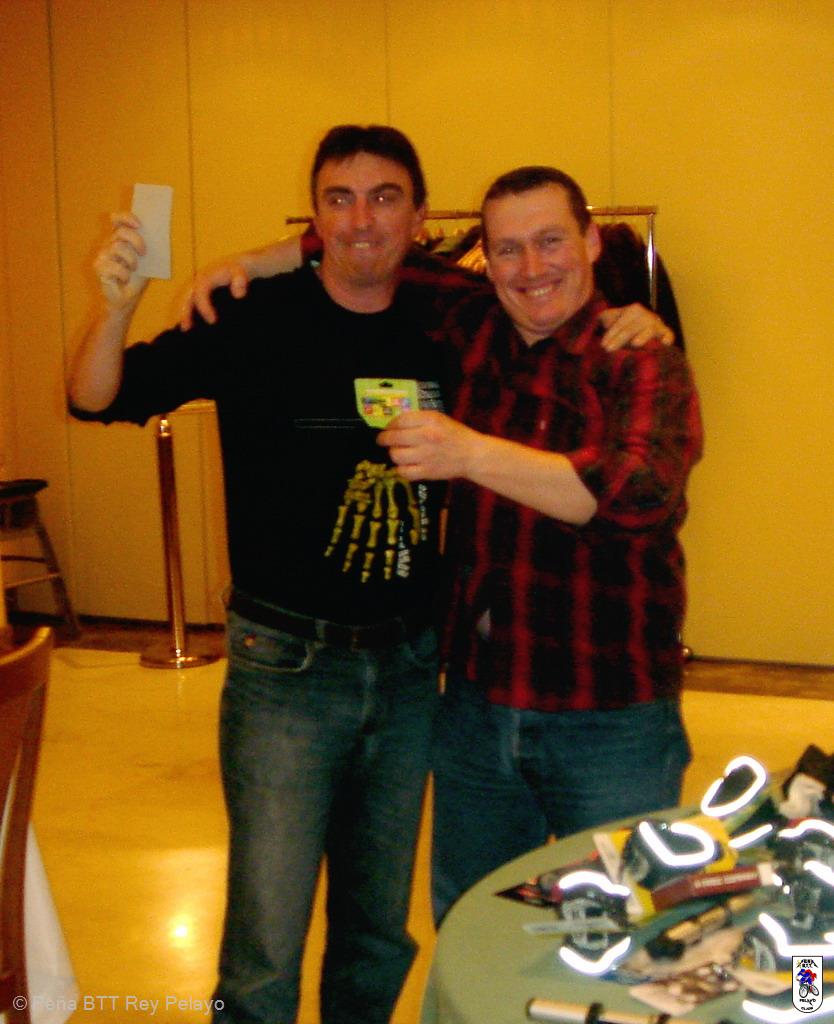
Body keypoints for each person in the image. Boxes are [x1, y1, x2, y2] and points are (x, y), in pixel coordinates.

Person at [69, 125, 473, 1024]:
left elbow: (550, 313)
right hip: (286, 670)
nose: (362, 219)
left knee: (377, 931)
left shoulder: (451, 321)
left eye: (384, 197)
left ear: (419, 214)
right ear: (314, 216)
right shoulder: (254, 318)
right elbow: (97, 395)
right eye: (339, 199)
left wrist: (630, 319)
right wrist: (116, 307)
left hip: (409, 667)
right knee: (265, 941)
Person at [376, 166, 703, 921]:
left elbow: (635, 494)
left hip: (612, 711)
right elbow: (365, 248)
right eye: (508, 249)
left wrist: (468, 453)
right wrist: (248, 262)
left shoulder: (641, 358)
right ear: (485, 260)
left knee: (624, 929)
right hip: (477, 706)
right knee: (476, 926)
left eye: (551, 241)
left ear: (591, 242)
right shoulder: (473, 328)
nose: (531, 268)